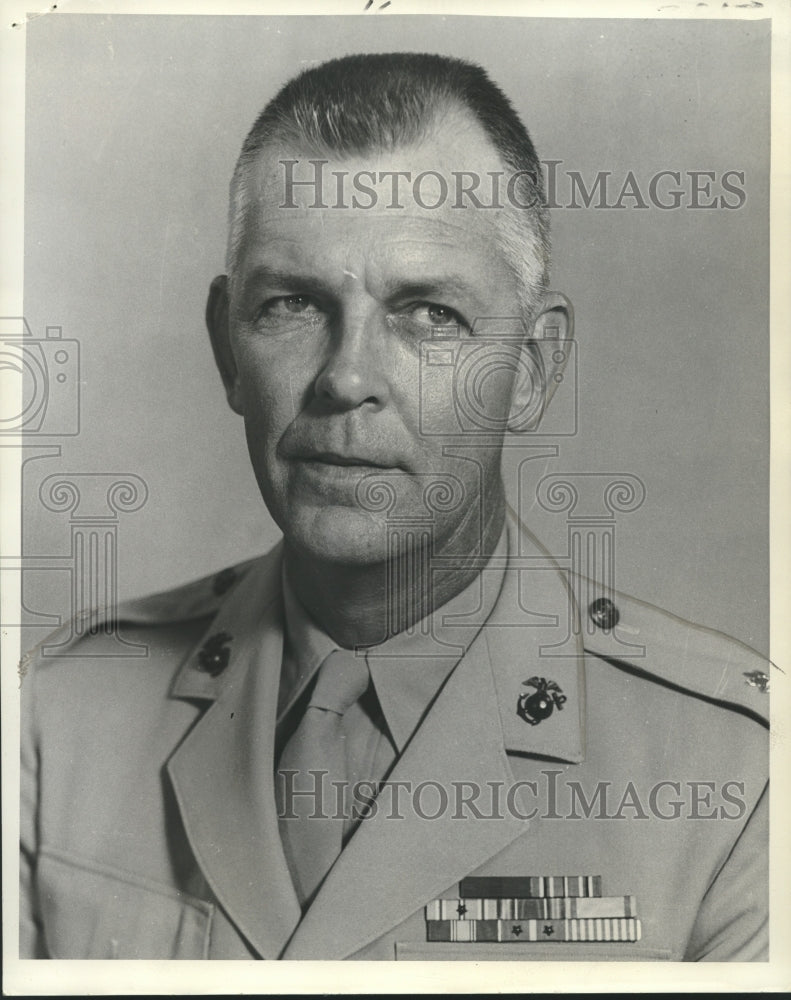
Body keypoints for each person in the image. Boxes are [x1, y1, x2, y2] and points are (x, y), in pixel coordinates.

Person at [20, 52, 768, 961]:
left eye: (427, 315)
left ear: (529, 373)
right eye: (293, 304)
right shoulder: (56, 718)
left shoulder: (737, 780)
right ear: (226, 351)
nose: (346, 379)